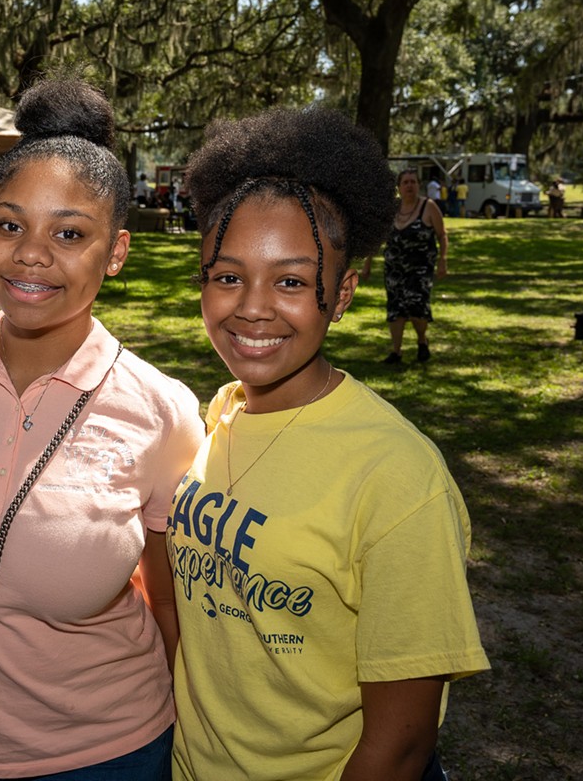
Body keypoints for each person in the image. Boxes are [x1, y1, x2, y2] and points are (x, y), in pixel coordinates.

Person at [0, 78, 203, 780]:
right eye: (10, 224)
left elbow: (171, 596)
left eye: (70, 234)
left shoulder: (161, 410)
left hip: (105, 756)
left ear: (115, 254)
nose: (30, 254)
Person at [169, 107, 489, 781]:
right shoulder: (222, 415)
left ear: (341, 294)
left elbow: (401, 745)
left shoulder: (396, 477)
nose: (253, 306)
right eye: (227, 277)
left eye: (290, 281)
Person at [361, 168, 448, 363]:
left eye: (413, 182)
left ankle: (422, 341)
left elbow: (442, 235)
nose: (410, 185)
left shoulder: (429, 206)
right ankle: (396, 351)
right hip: (394, 269)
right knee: (396, 309)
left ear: (419, 185)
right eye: (406, 182)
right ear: (399, 187)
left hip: (420, 269)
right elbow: (378, 240)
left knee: (417, 308)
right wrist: (367, 264)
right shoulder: (391, 210)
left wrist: (443, 259)